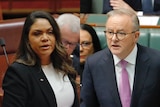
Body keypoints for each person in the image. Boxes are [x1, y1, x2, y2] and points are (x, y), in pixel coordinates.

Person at [80, 8, 160, 107]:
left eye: (121, 33)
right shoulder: (93, 64)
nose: (114, 39)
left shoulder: (156, 62)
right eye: (110, 32)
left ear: (136, 36)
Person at [2, 11, 79, 107]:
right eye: (37, 34)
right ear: (27, 40)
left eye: (50, 32)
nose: (45, 38)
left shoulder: (65, 65)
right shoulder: (18, 73)